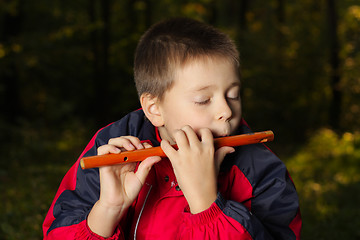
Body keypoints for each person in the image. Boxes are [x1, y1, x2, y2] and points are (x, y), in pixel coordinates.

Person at [43, 17, 301, 239]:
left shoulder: (262, 170)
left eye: (233, 95)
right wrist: (109, 208)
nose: (226, 111)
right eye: (204, 100)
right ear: (155, 109)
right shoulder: (110, 145)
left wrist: (207, 203)